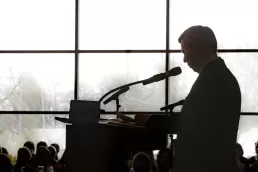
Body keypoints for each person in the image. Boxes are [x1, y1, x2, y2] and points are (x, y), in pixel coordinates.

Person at [172, 25, 241, 172]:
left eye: (185, 52)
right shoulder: (217, 76)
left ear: (197, 47)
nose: (184, 60)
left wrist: (151, 122)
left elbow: (195, 127)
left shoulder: (214, 80)